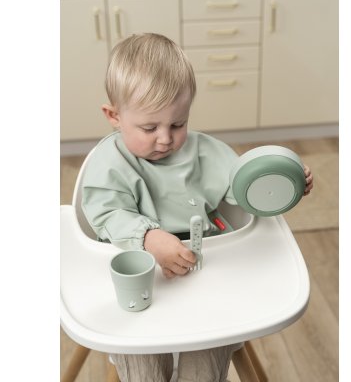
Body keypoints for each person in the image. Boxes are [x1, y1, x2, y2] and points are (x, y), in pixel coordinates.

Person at [81, 33, 314, 382]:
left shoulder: (205, 151)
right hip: (142, 282)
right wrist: (147, 237)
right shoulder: (109, 163)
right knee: (141, 355)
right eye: (149, 127)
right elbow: (106, 214)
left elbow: (244, 191)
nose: (166, 138)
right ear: (114, 115)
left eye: (178, 124)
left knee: (209, 345)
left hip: (207, 271)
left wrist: (281, 181)